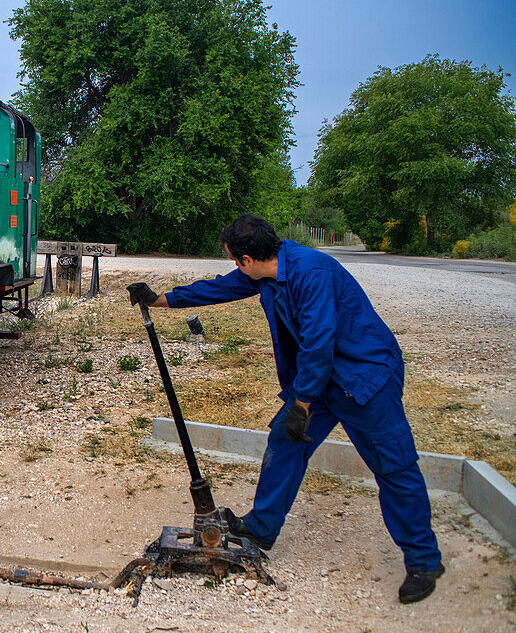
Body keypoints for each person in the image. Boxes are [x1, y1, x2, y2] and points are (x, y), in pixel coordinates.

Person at [126, 214, 444, 603]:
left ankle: (424, 560)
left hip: (365, 379)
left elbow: (319, 343)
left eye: (232, 259)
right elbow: (221, 288)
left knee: (393, 465)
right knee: (285, 439)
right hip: (321, 379)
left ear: (246, 258)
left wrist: (303, 404)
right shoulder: (269, 270)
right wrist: (160, 300)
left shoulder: (310, 273)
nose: (233, 267)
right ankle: (261, 526)